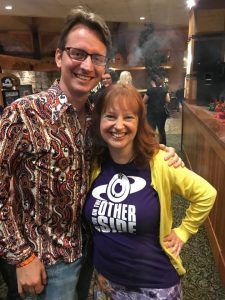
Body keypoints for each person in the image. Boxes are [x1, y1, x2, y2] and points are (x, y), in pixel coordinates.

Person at [0, 6, 183, 300]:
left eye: (96, 58)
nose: (87, 65)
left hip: (94, 254)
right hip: (45, 265)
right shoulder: (22, 114)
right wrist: (21, 257)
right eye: (78, 54)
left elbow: (124, 149)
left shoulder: (97, 118)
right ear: (59, 56)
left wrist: (160, 151)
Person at [83, 83, 217, 300]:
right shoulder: (96, 164)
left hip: (153, 287)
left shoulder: (160, 162)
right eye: (110, 116)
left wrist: (183, 231)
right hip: (107, 283)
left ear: (138, 122)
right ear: (99, 121)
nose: (118, 126)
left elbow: (206, 194)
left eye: (128, 117)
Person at [143, 76, 170, 145]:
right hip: (161, 113)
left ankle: (151, 145)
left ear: (153, 82)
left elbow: (144, 101)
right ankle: (163, 145)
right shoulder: (164, 89)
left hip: (151, 113)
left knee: (152, 130)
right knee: (161, 130)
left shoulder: (150, 90)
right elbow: (168, 100)